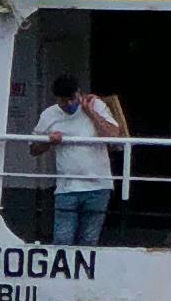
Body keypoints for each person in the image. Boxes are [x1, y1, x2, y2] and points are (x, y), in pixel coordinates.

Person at [32, 71, 125, 248]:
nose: (68, 104)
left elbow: (114, 135)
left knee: (89, 241)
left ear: (79, 93)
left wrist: (91, 113)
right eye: (62, 101)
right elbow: (33, 149)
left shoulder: (96, 105)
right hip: (67, 188)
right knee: (62, 240)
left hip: (99, 186)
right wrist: (49, 142)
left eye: (72, 99)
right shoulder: (49, 115)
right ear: (56, 99)